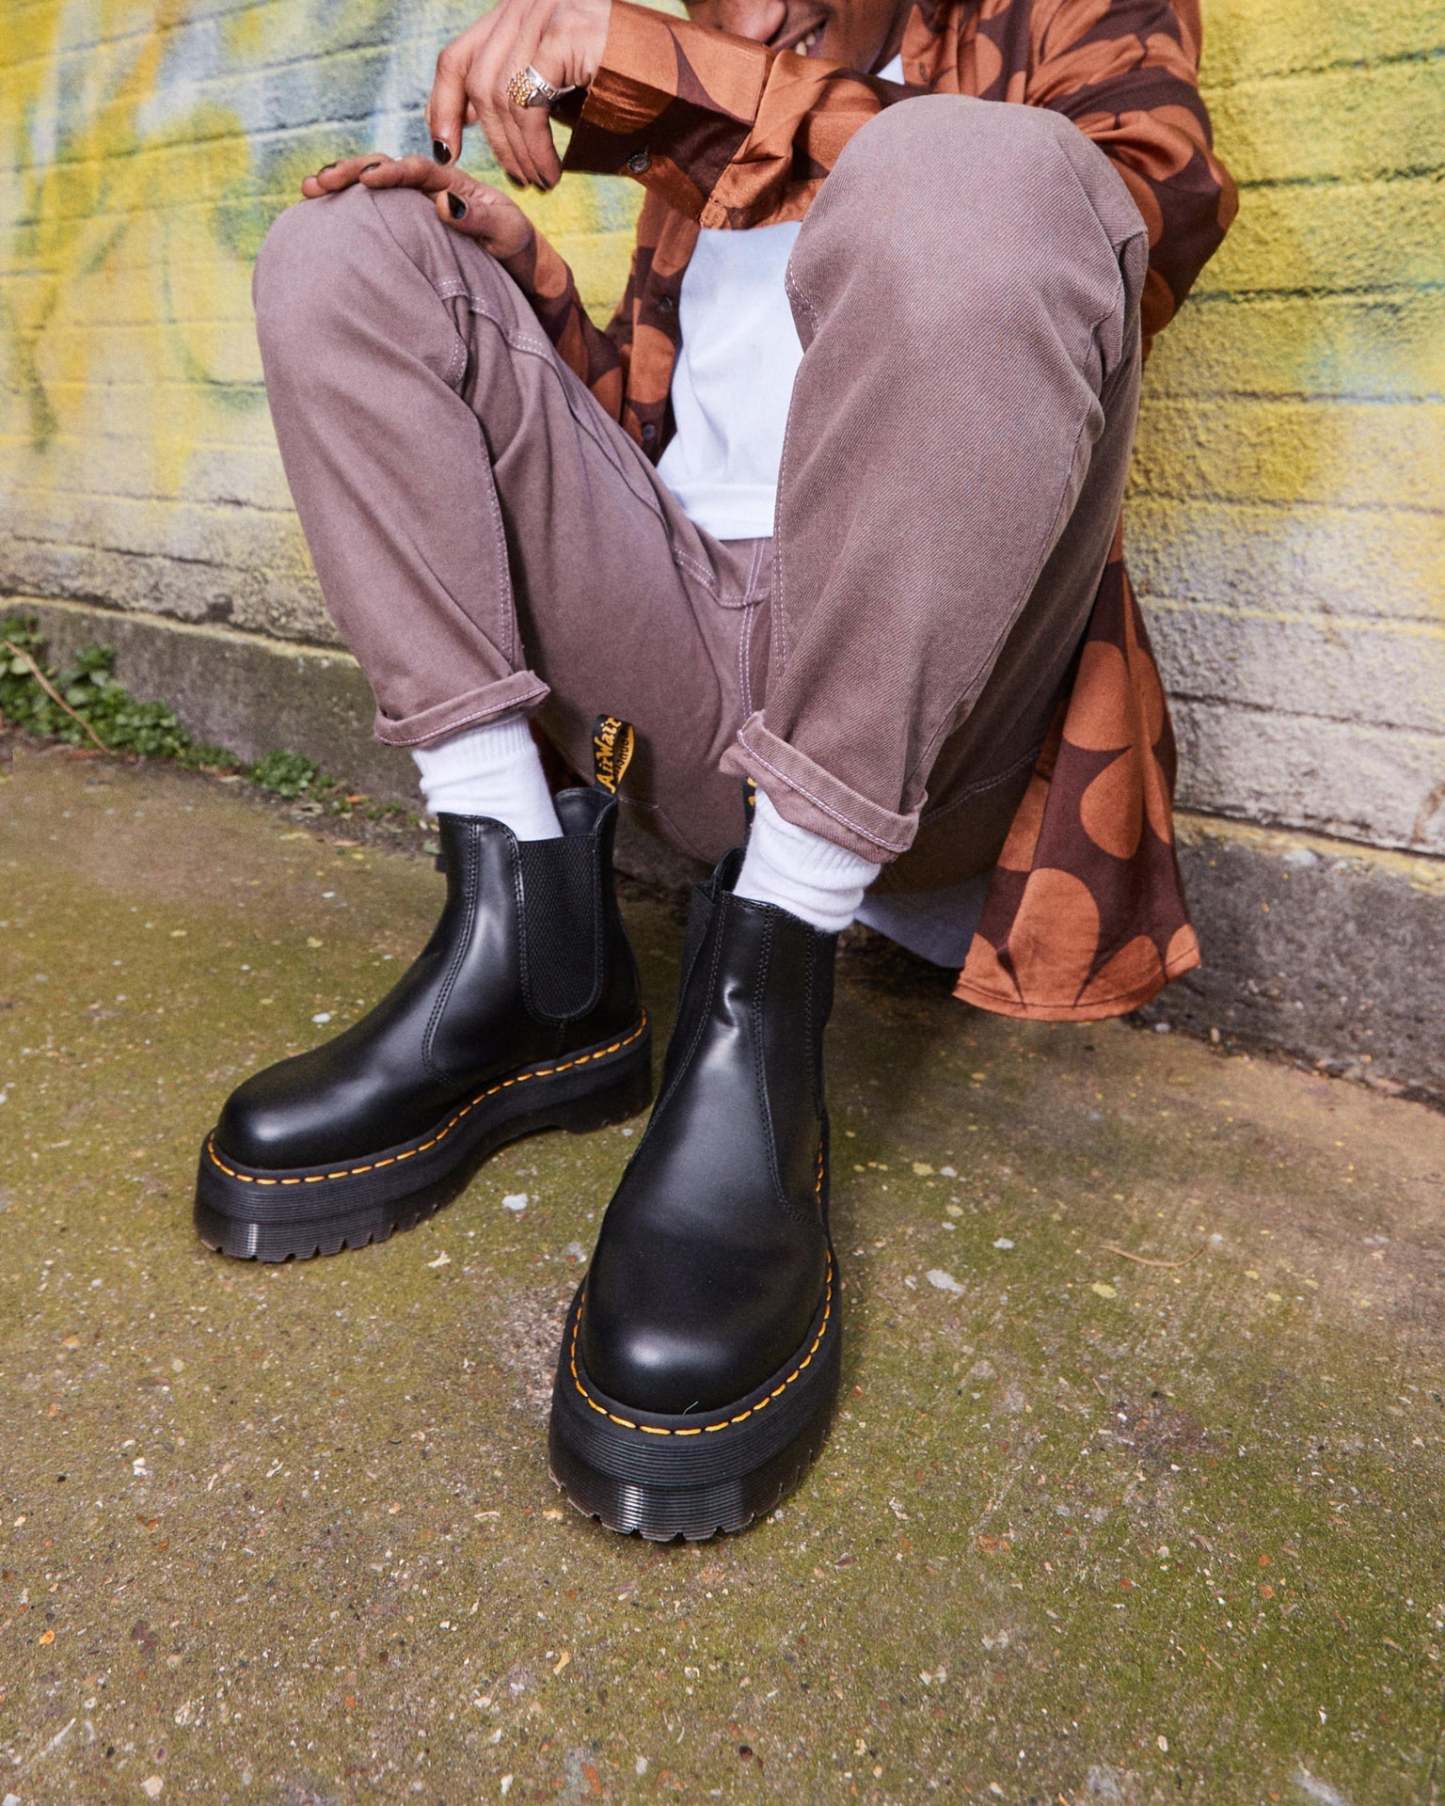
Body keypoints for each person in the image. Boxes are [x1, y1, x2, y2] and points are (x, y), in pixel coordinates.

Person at [193, 0, 1235, 1539]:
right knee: (347, 252)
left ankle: (763, 997)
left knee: (973, 171)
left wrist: (677, 82)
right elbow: (651, 449)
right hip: (683, 699)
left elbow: (1149, 216)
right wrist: (525, 281)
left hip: (921, 731)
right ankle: (526, 948)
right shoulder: (707, 82)